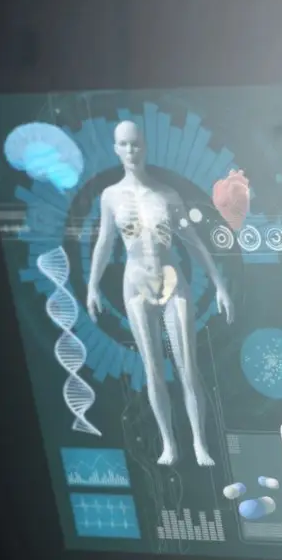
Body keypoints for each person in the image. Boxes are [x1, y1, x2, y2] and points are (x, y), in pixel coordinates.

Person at [87, 120, 235, 467]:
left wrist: (219, 283)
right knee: (152, 367)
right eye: (123, 145)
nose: (130, 151)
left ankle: (199, 444)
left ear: (145, 145)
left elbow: (192, 242)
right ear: (115, 148)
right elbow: (105, 242)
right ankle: (170, 445)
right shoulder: (110, 196)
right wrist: (93, 285)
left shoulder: (168, 195)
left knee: (188, 367)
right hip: (136, 283)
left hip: (171, 281)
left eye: (135, 144)